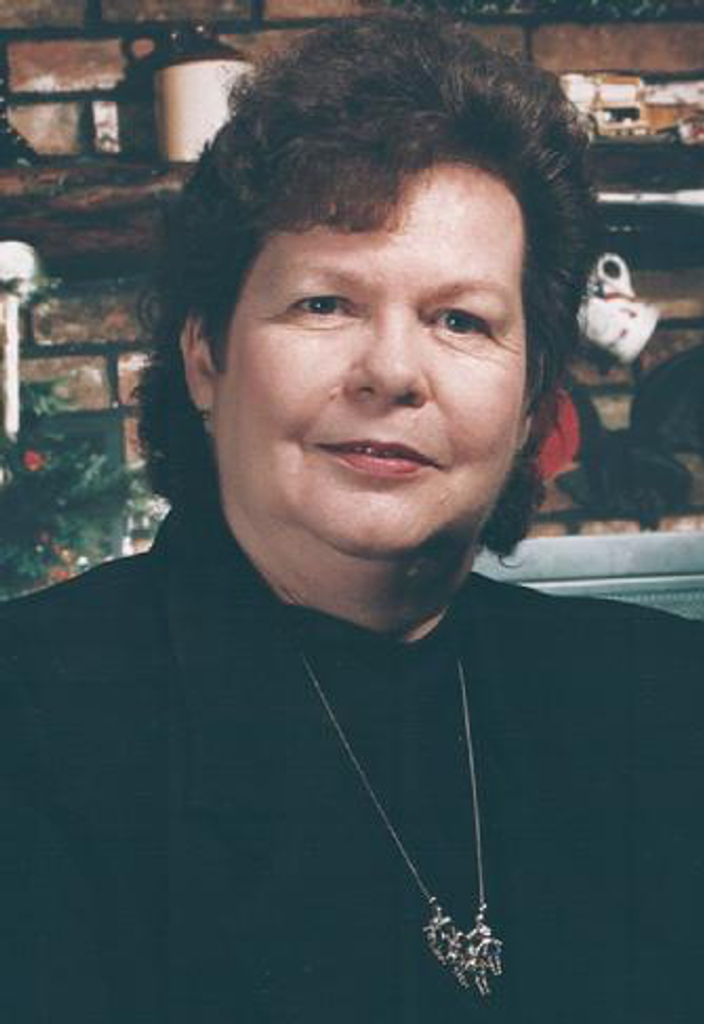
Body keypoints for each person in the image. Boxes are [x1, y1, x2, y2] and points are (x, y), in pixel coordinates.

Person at [1, 12, 702, 1023]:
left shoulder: (662, 699)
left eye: (461, 319)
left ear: (528, 401)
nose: (392, 372)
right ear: (205, 357)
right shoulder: (31, 718)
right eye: (324, 303)